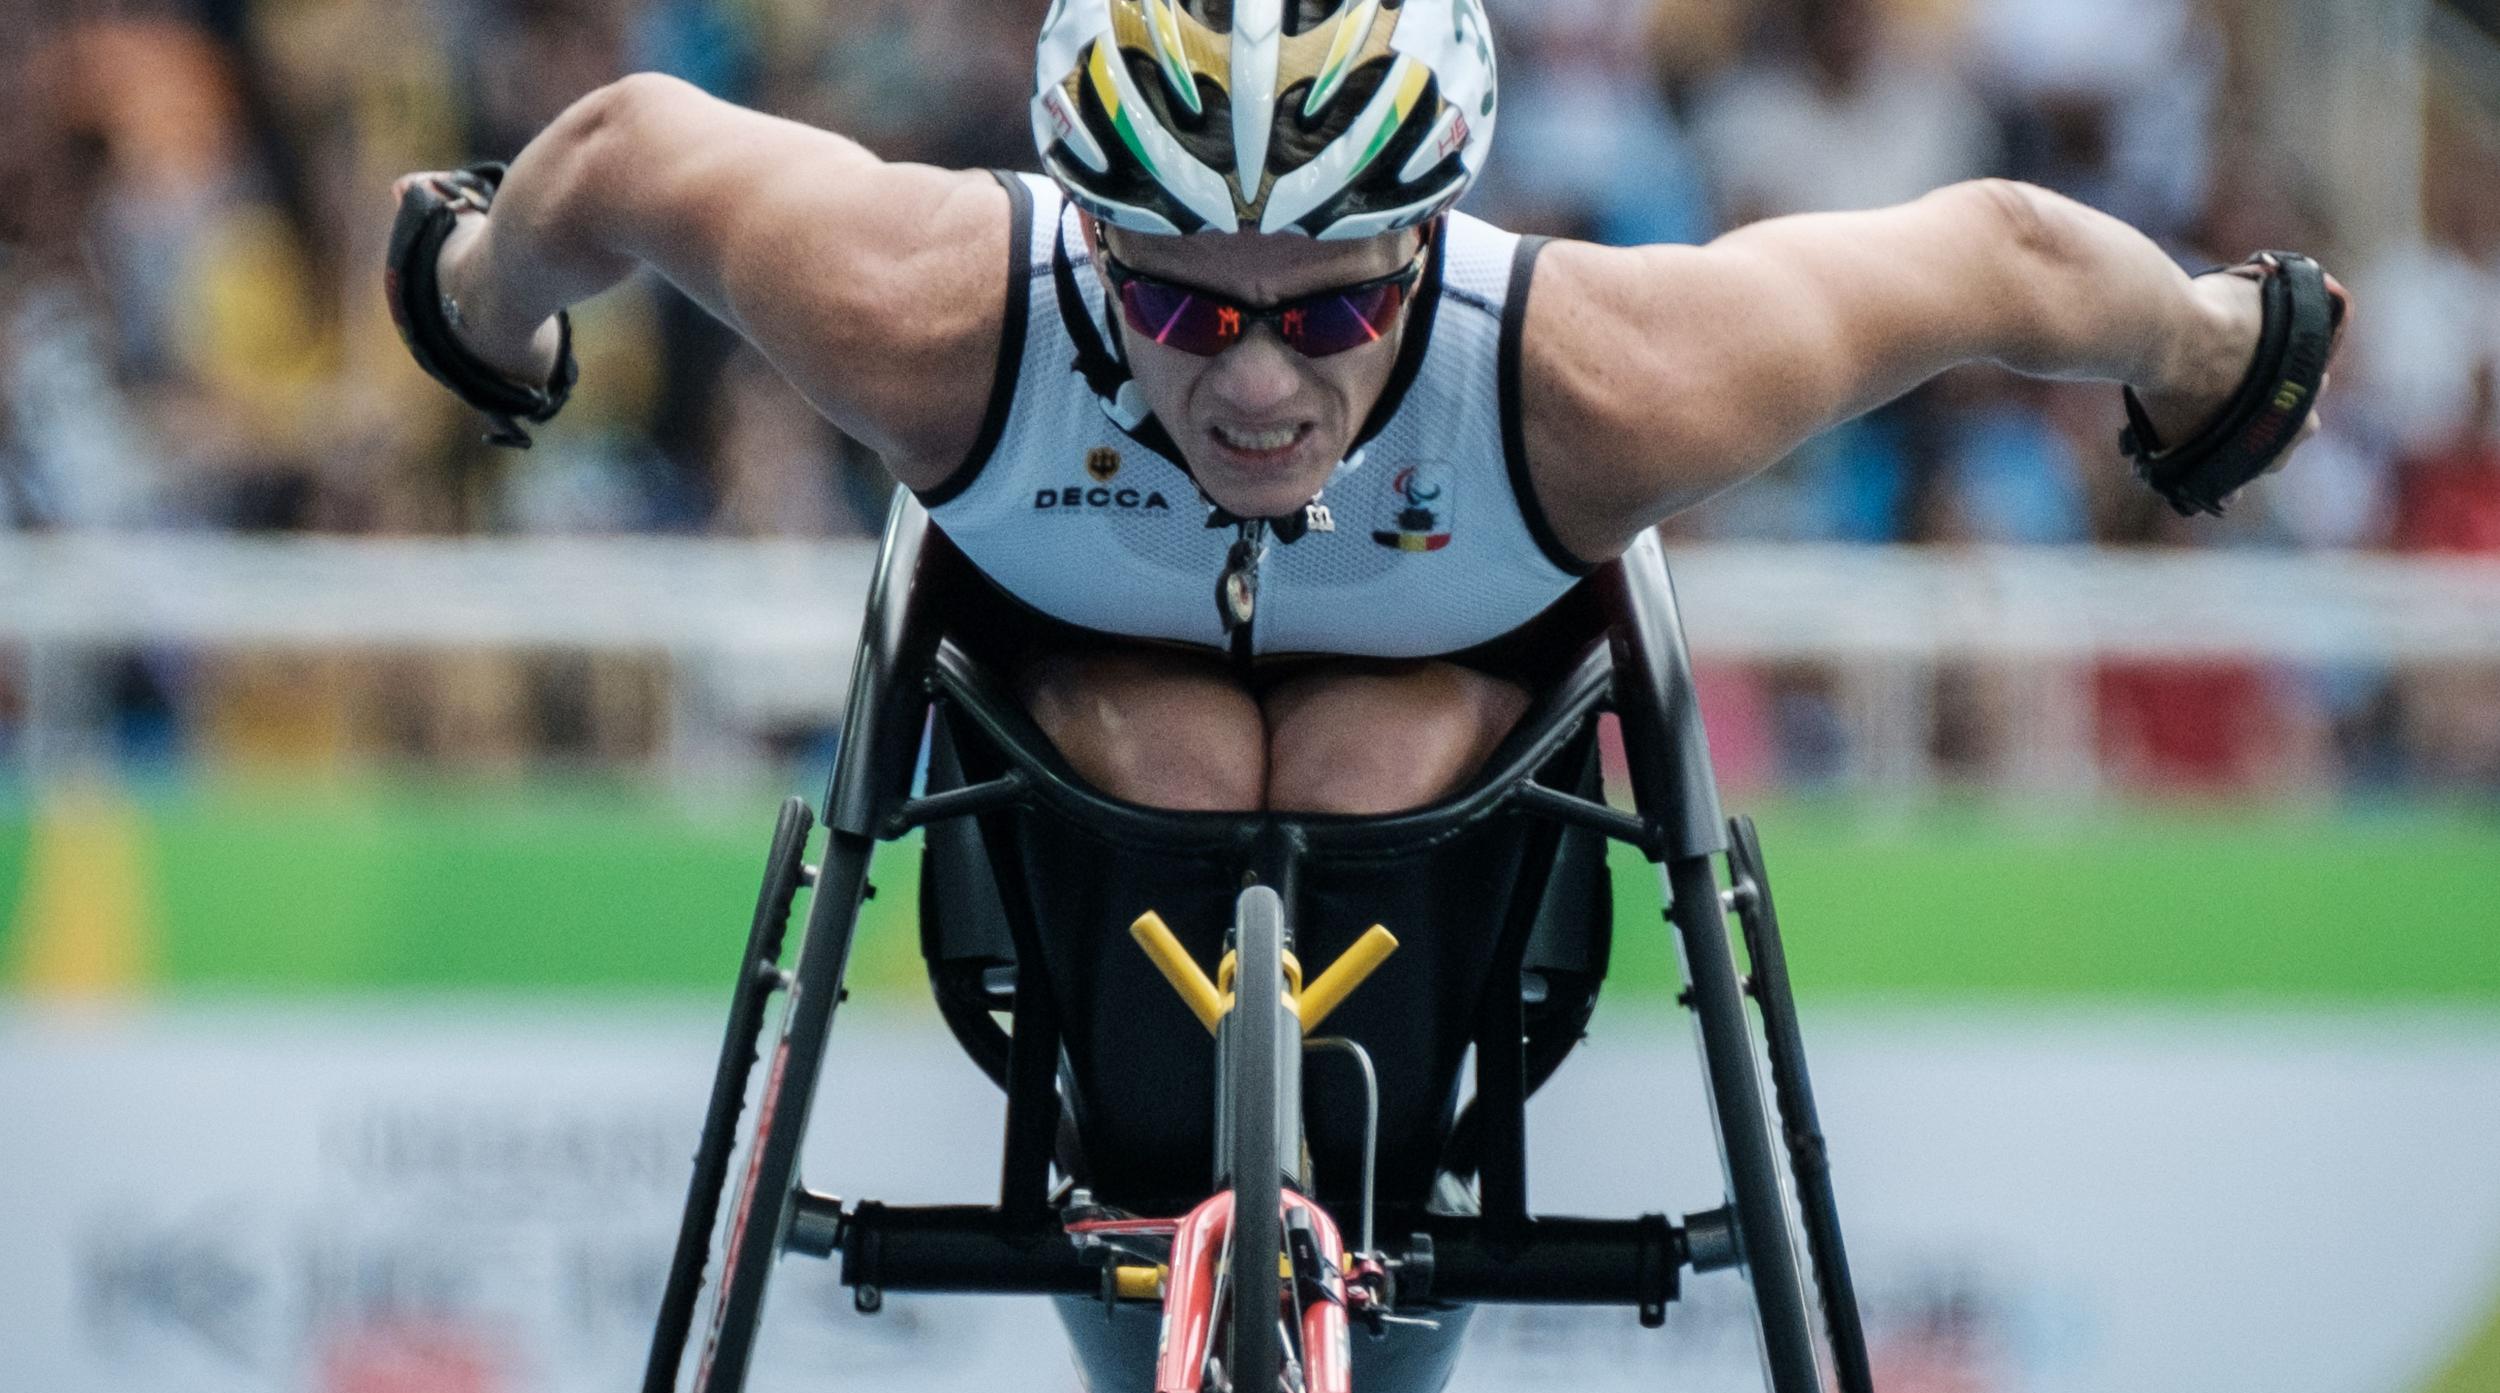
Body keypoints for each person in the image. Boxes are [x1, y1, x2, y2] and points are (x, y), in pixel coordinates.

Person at [386, 0, 2344, 815]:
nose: (1249, 379)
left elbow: (2000, 256)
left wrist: (2199, 343)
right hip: (1068, 708)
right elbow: (628, 151)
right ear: (1083, 246)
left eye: (1326, 316)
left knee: (1350, 759)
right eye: (1169, 301)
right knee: (1163, 751)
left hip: (1445, 729)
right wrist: (486, 295)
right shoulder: (928, 308)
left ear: (1426, 246)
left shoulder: (1595, 377)